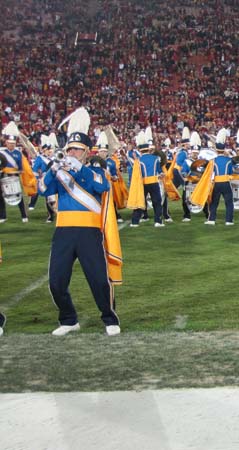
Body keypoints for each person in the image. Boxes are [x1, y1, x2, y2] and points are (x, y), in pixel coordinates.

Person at [38, 107, 122, 336]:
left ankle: (109, 318)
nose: (73, 153)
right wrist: (52, 169)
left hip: (89, 232)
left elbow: (102, 186)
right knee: (56, 280)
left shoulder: (94, 169)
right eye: (70, 149)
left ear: (86, 152)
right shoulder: (60, 172)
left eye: (77, 150)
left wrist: (78, 168)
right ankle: (68, 319)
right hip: (64, 230)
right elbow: (43, 190)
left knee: (98, 279)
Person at [129, 128, 165, 227]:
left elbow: (136, 174)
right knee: (156, 202)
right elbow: (159, 171)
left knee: (140, 201)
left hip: (143, 183)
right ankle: (158, 221)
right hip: (154, 182)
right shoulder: (156, 158)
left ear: (140, 150)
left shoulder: (139, 160)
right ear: (148, 149)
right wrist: (161, 174)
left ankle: (135, 222)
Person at [0, 121, 30, 223]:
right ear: (6, 143)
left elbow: (21, 168)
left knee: (18, 195)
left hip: (15, 177)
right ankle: (3, 216)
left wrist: (16, 172)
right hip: (4, 177)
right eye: (9, 143)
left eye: (13, 144)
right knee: (1, 197)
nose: (11, 145)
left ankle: (24, 216)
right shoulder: (2, 153)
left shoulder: (18, 153)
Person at [206, 129, 235, 225]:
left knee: (214, 202)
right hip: (226, 182)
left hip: (216, 183)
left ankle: (211, 220)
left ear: (216, 150)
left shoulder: (212, 160)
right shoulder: (229, 160)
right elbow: (231, 172)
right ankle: (229, 221)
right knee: (229, 202)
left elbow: (210, 173)